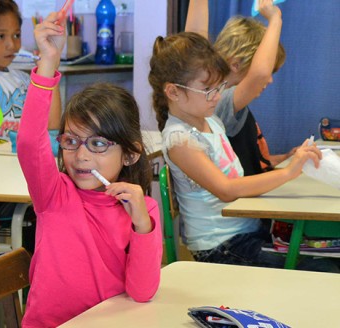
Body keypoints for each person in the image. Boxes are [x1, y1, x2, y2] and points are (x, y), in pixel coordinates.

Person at [17, 12, 161, 327]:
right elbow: (29, 140)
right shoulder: (54, 194)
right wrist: (48, 62)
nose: (81, 156)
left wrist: (141, 225)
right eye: (72, 141)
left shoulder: (144, 209)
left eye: (98, 145)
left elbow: (142, 292)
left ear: (130, 154)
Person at [148, 31, 337, 271]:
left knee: (326, 256)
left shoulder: (211, 120)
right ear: (173, 92)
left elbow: (233, 177)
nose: (217, 97)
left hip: (245, 234)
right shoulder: (179, 139)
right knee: (324, 270)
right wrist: (289, 172)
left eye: (220, 88)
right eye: (209, 90)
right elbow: (226, 190)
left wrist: (288, 159)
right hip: (221, 248)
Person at [185, 0, 294, 176]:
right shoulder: (219, 101)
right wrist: (275, 19)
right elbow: (260, 75)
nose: (270, 79)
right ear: (235, 64)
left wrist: (286, 158)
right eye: (266, 66)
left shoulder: (229, 102)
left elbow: (251, 162)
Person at [0, 0, 61, 153]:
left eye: (16, 35)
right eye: (0, 36)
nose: (11, 44)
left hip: (16, 168)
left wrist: (51, 62)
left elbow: (51, 130)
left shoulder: (25, 80)